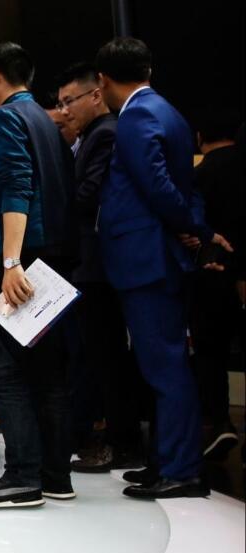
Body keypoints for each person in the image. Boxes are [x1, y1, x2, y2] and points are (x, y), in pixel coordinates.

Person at [94, 37, 234, 499]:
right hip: (157, 257)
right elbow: (184, 186)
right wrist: (194, 225)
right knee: (163, 365)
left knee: (165, 367)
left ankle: (182, 468)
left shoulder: (135, 115)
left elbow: (155, 185)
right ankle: (166, 462)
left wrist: (193, 227)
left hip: (145, 259)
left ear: (104, 80)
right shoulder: (169, 112)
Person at [0, 43, 77, 509]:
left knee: (1, 369)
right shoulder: (46, 123)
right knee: (47, 372)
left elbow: (15, 186)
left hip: (17, 266)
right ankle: (55, 475)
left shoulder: (6, 119)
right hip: (51, 261)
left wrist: (10, 263)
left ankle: (22, 477)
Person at [56, 62, 145, 473]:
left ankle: (121, 442)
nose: (64, 111)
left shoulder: (106, 134)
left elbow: (88, 195)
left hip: (101, 266)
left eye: (68, 101)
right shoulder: (93, 136)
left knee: (106, 358)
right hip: (91, 265)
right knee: (96, 356)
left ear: (96, 95)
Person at [188, 107, 243, 461]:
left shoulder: (201, 175)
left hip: (214, 273)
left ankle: (219, 422)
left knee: (211, 353)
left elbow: (191, 227)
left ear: (199, 137)